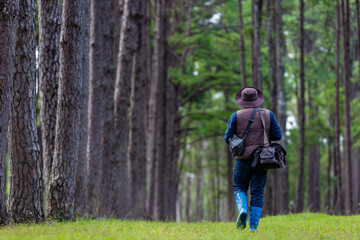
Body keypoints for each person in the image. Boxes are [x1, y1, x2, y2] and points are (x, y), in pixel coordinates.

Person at [224, 87, 282, 232]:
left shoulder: (235, 116)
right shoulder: (268, 114)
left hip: (242, 159)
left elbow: (227, 137)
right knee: (257, 192)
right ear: (257, 99)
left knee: (239, 187)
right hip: (261, 160)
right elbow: (278, 135)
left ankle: (243, 209)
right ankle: (253, 228)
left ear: (242, 100)